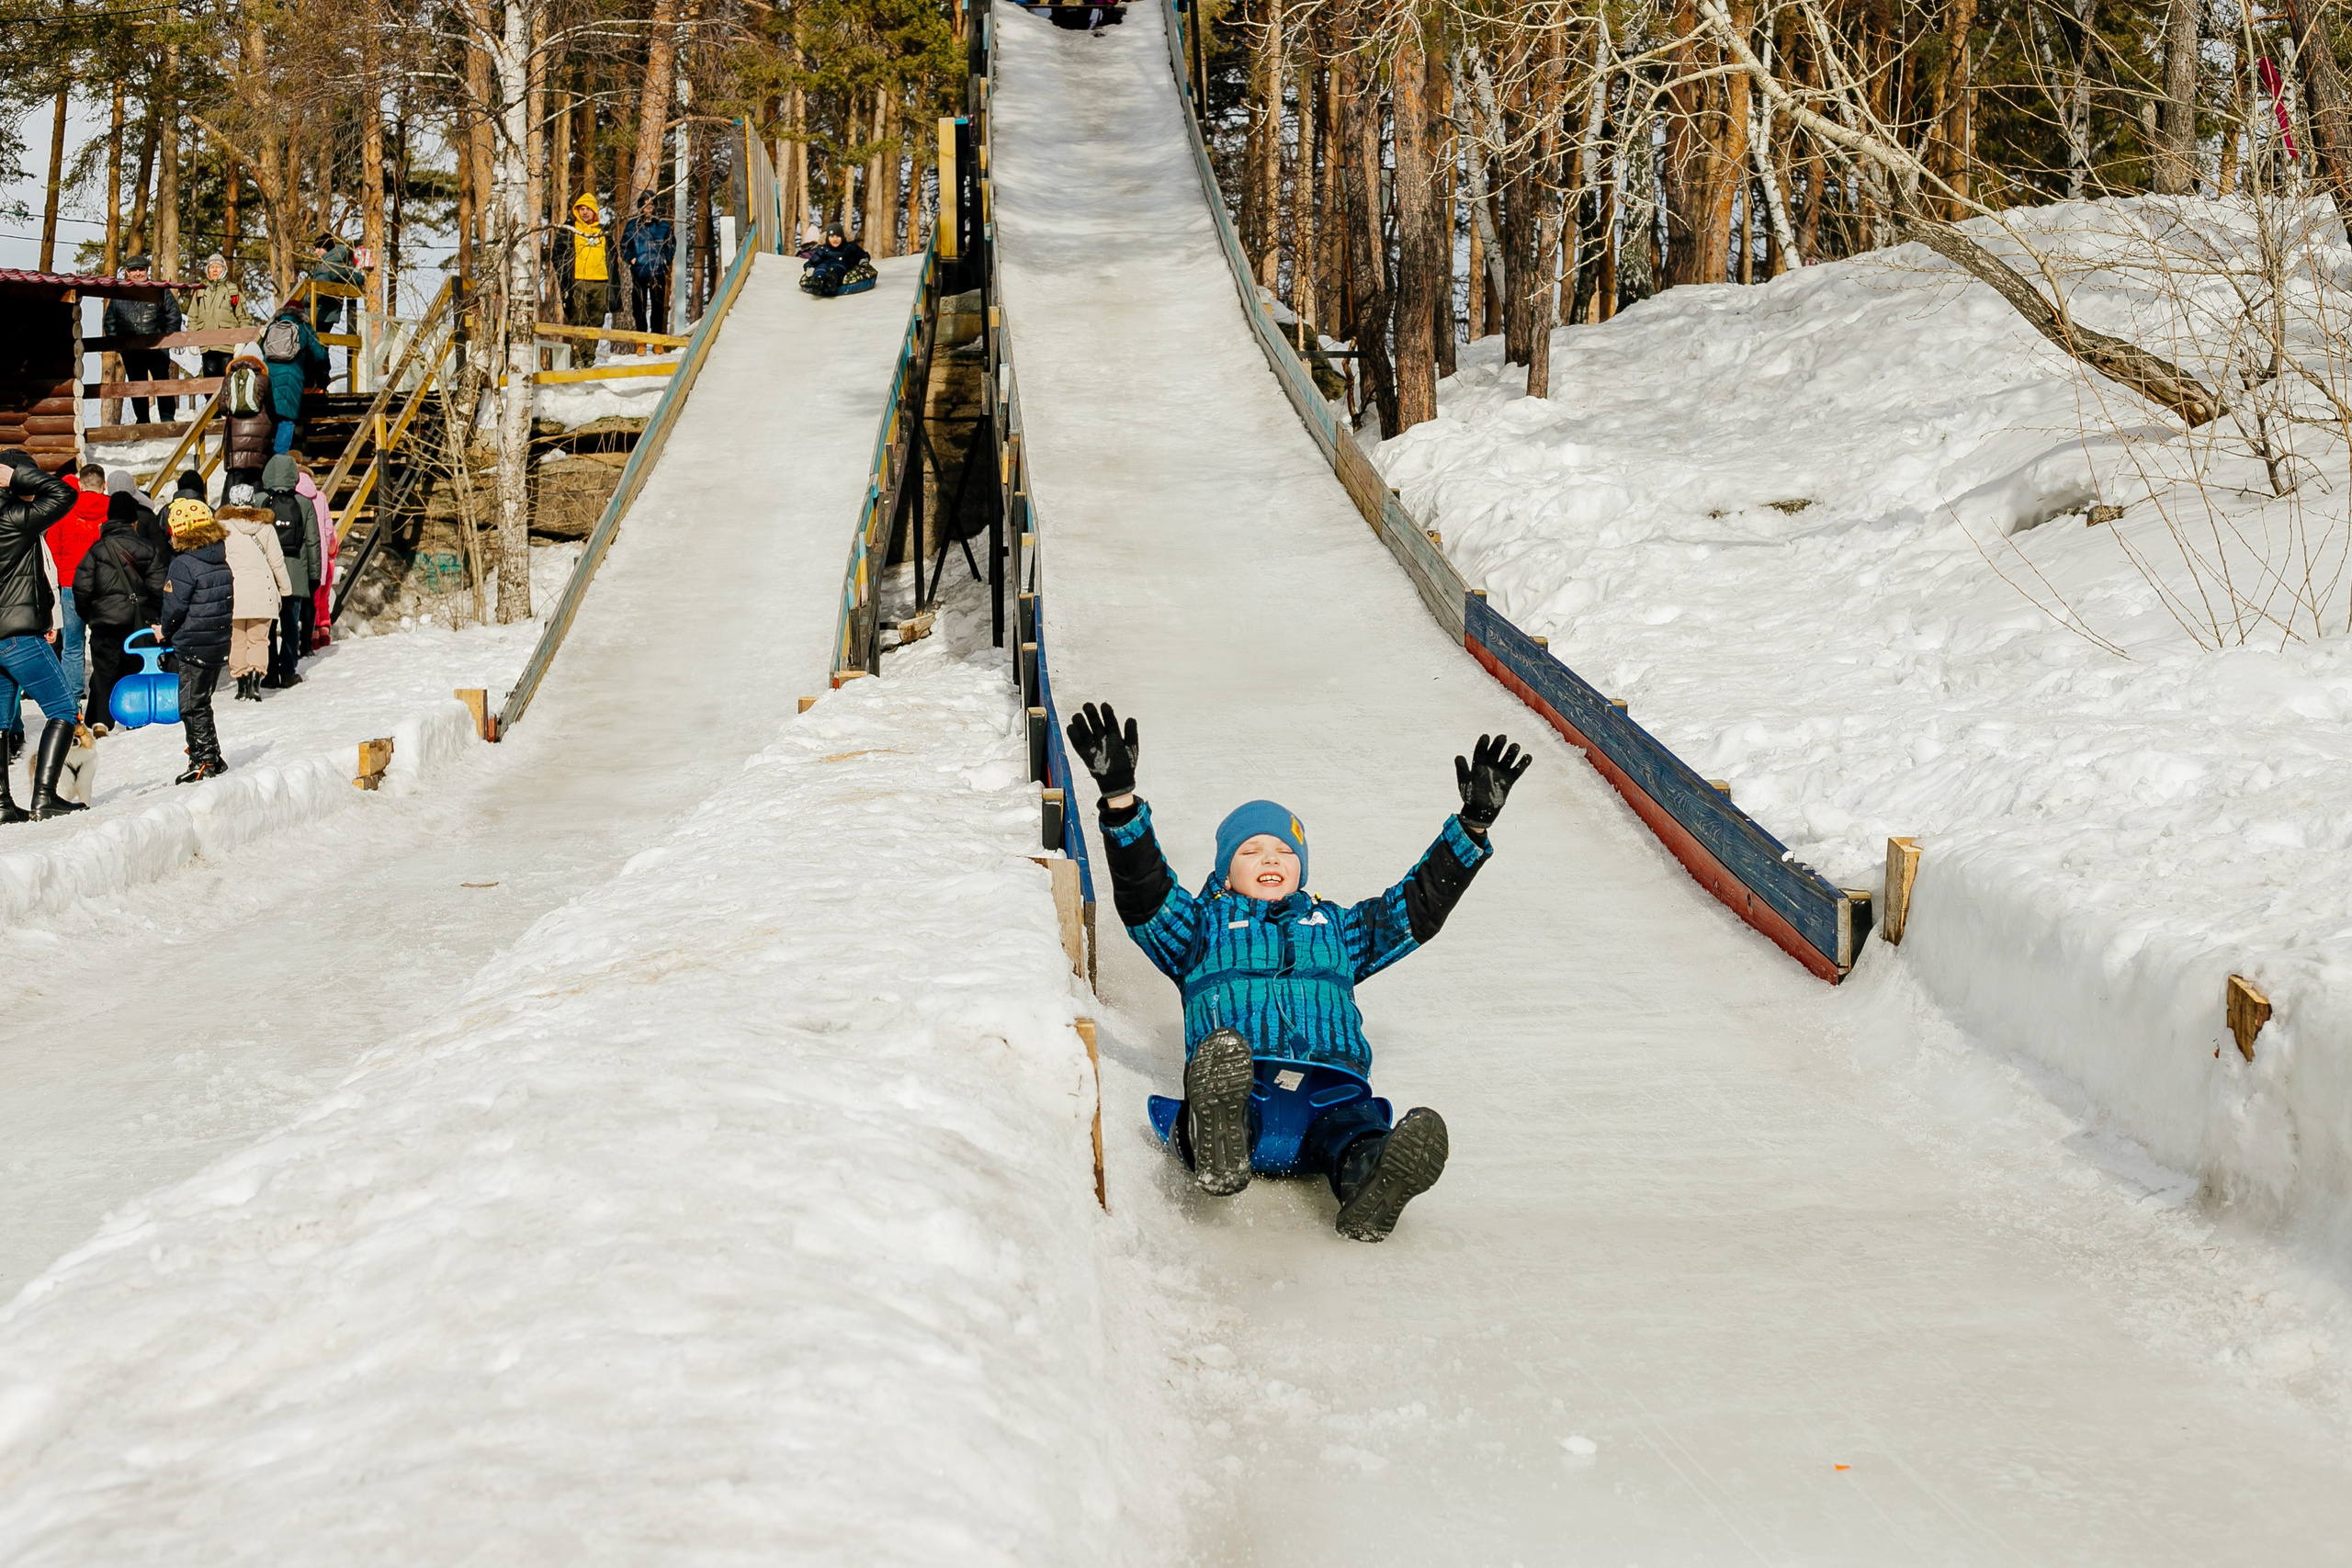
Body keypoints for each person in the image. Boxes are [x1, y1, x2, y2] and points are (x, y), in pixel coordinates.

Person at [1064, 702, 1532, 1242]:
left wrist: (1470, 830)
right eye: (1252, 849)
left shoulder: (1336, 928)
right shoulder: (1199, 929)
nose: (1270, 858)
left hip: (1331, 1095)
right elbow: (1145, 895)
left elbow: (1415, 910)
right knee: (1226, 1105)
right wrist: (1120, 802)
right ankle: (1219, 1147)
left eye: (1284, 850)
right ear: (1225, 871)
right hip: (1243, 1085)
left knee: (1356, 1133)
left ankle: (1369, 1179)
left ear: (1301, 868)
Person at [0, 452, 86, 821]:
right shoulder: (14, 517)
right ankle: (45, 797)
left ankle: (2, 804)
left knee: (2, 721)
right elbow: (65, 495)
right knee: (64, 708)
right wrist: (16, 476)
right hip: (18, 634)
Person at [74, 490, 168, 734]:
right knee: (135, 668)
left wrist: (90, 615)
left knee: (104, 671)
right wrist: (155, 615)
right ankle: (135, 717)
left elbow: (82, 588)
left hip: (105, 622)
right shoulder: (148, 548)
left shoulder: (96, 550)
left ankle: (101, 721)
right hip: (139, 622)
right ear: (133, 520)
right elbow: (160, 589)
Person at [158, 497, 232, 782]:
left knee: (191, 704)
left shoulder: (184, 563)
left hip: (193, 643)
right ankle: (211, 754)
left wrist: (164, 629)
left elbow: (174, 605)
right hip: (216, 641)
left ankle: (204, 759)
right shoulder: (217, 556)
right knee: (201, 700)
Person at [216, 485, 290, 704]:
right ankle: (255, 684)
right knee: (259, 640)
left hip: (234, 592)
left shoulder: (221, 527)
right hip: (262, 591)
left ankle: (241, 684)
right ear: (252, 501)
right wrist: (285, 589)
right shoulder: (266, 528)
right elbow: (277, 562)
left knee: (236, 641)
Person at [48, 463, 109, 712]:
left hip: (70, 584)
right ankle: (102, 696)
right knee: (102, 642)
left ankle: (72, 700)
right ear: (104, 485)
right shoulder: (111, 512)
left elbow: (52, 551)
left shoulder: (64, 511)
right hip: (102, 585)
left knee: (72, 645)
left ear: (80, 484)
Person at [258, 455, 319, 687]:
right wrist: (314, 575)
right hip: (295, 572)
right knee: (291, 623)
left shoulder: (259, 500)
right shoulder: (304, 503)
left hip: (267, 573)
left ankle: (271, 671)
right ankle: (289, 671)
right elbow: (312, 542)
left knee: (269, 625)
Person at [105, 254, 187, 425]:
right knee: (137, 386)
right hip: (131, 350)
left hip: (157, 347)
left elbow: (174, 315)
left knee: (162, 383)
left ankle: (167, 419)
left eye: (140, 269)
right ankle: (142, 421)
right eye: (133, 270)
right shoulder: (118, 295)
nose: (137, 273)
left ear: (147, 270)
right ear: (126, 272)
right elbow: (110, 321)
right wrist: (120, 345)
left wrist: (165, 339)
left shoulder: (160, 290)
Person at [259, 300, 329, 457]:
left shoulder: (272, 327)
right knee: (287, 419)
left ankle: (281, 458)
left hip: (269, 377)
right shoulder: (303, 327)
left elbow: (261, 351)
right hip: (291, 377)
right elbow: (320, 355)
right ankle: (280, 459)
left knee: (274, 417)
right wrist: (324, 374)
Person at [551, 195, 612, 368]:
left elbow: (612, 255)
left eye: (588, 209)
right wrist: (564, 277)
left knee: (596, 320)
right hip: (578, 280)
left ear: (594, 210)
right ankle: (579, 357)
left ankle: (590, 357)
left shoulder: (603, 231)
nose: (585, 212)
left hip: (601, 280)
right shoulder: (569, 229)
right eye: (581, 209)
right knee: (579, 319)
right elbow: (557, 254)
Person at [619, 191, 676, 345]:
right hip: (639, 272)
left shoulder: (663, 225)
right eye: (645, 204)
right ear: (641, 206)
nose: (648, 207)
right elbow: (624, 245)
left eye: (651, 204)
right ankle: (641, 341)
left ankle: (657, 341)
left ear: (655, 206)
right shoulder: (633, 225)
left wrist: (666, 259)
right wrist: (631, 259)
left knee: (658, 307)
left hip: (658, 271)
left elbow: (671, 244)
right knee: (639, 308)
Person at [185, 253, 247, 387]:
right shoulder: (200, 292)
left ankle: (228, 407)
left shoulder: (233, 291)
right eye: (211, 267)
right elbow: (192, 318)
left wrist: (241, 341)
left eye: (217, 267)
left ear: (224, 269)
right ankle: (212, 407)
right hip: (207, 346)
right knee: (209, 380)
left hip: (228, 346)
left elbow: (243, 318)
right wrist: (192, 340)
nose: (214, 270)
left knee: (228, 381)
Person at [294, 454, 336, 650]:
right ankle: (322, 632)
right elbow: (328, 528)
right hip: (321, 554)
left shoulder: (293, 497)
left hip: (302, 553)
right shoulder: (320, 497)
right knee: (321, 598)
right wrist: (330, 550)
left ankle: (308, 635)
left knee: (304, 598)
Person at [220, 353, 277, 471]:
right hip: (259, 432)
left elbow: (223, 407)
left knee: (234, 475)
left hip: (234, 432)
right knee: (255, 475)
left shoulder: (229, 378)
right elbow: (271, 408)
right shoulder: (264, 379)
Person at [800, 226, 873, 299]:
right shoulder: (822, 249)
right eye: (832, 237)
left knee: (837, 267)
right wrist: (809, 268)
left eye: (838, 236)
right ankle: (818, 280)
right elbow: (812, 262)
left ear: (842, 237)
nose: (835, 239)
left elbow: (862, 254)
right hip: (824, 264)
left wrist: (863, 260)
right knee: (821, 267)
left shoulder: (850, 247)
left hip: (842, 263)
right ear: (827, 238)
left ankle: (833, 279)